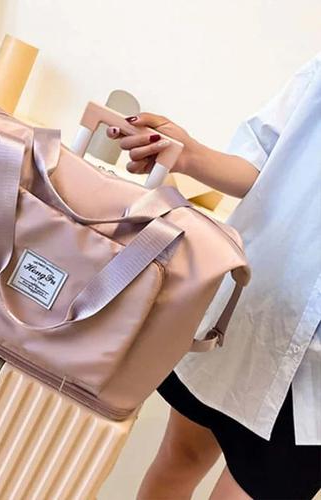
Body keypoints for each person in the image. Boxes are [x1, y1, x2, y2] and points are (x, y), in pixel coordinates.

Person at [107, 52, 321, 499]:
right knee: (178, 460)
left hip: (313, 380)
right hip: (250, 310)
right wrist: (186, 154)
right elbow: (261, 162)